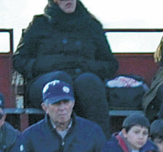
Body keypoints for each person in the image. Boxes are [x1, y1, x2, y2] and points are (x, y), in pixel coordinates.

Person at [14, 0, 117, 130]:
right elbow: (19, 60)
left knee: (89, 83)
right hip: (45, 81)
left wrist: (83, 65)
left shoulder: (92, 26)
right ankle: (55, 142)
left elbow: (110, 64)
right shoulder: (39, 24)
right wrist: (51, 65)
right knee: (60, 82)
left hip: (82, 79)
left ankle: (99, 144)